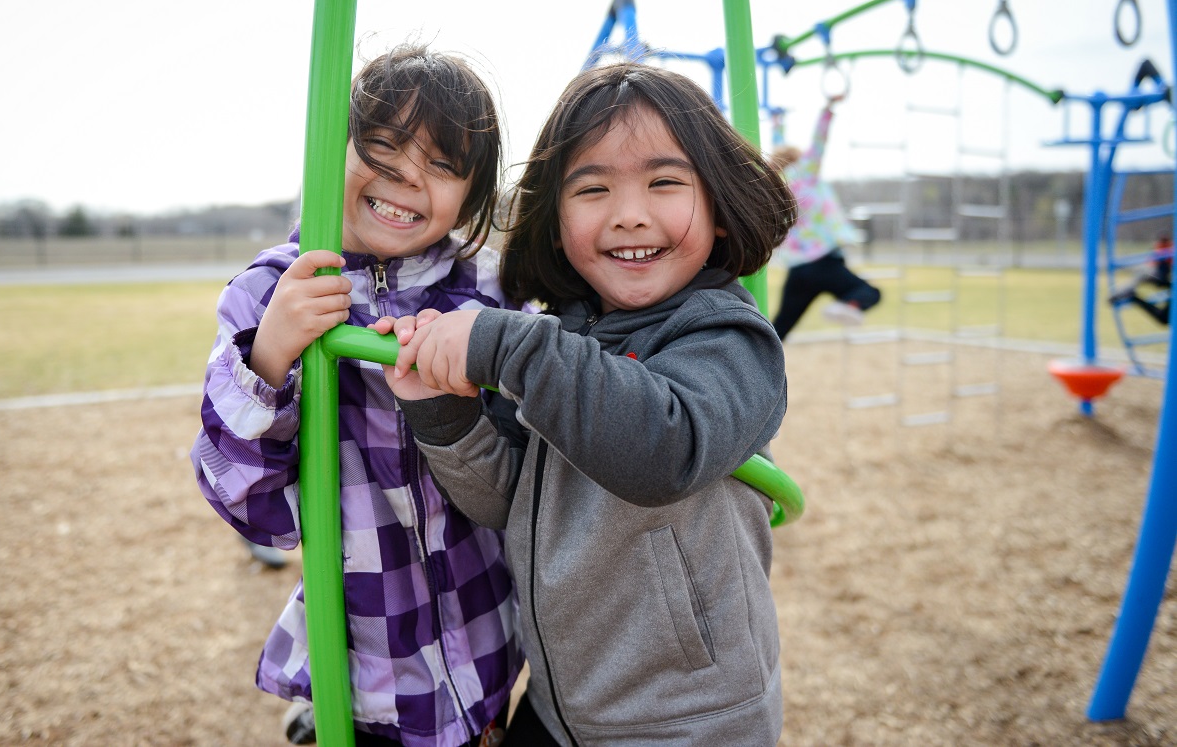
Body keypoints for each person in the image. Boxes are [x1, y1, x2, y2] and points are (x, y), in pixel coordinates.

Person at [372, 62, 796, 746]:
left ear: (717, 207)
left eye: (664, 182)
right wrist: (444, 414)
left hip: (687, 723)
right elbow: (510, 496)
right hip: (557, 705)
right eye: (594, 188)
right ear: (557, 218)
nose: (629, 212)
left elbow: (665, 448)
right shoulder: (566, 336)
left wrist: (513, 345)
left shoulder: (727, 338)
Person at [189, 44, 523, 747]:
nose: (406, 179)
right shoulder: (274, 292)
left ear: (472, 192)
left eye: (442, 165)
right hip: (368, 676)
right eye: (382, 148)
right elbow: (257, 511)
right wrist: (272, 356)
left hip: (486, 641)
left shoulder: (488, 288)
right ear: (330, 149)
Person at [768, 97, 881, 340]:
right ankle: (847, 305)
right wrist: (827, 111)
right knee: (868, 292)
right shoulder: (807, 173)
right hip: (824, 261)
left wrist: (777, 124)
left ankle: (753, 361)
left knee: (780, 328)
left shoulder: (779, 186)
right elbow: (819, 142)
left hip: (798, 268)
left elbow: (778, 152)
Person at [1110, 234, 1173, 326]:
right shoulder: (1163, 254)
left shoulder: (1167, 253)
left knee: (1164, 318)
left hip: (1162, 278)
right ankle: (1129, 295)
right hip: (1161, 277)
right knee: (1164, 317)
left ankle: (1131, 296)